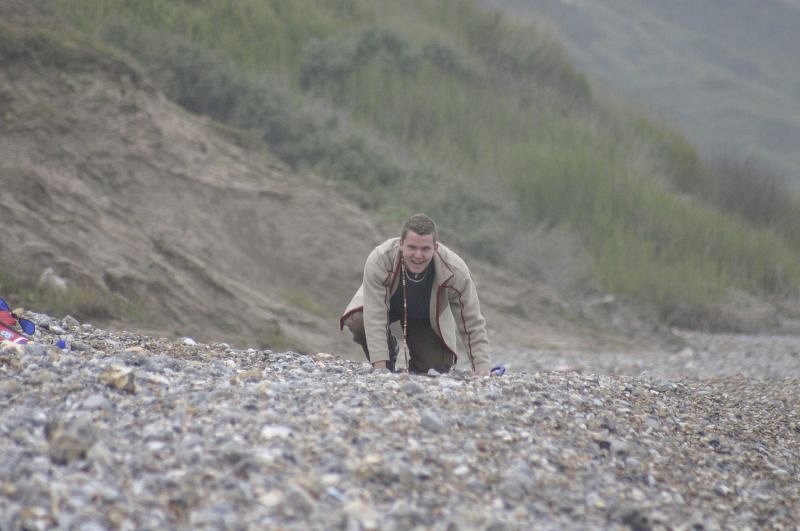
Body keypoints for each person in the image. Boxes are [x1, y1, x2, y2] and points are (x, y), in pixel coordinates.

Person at [340, 214, 491, 374]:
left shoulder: (455, 271)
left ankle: (415, 367)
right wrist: (381, 368)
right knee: (358, 320)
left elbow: (471, 321)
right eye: (412, 247)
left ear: (436, 248)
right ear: (401, 244)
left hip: (424, 320)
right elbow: (374, 314)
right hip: (383, 308)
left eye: (425, 249)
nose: (418, 255)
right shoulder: (380, 260)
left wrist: (482, 368)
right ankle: (389, 354)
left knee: (437, 368)